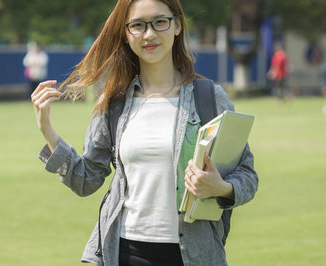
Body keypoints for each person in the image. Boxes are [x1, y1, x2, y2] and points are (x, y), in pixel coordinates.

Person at [31, 0, 258, 265]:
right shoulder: (112, 103)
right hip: (127, 251)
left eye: (160, 22)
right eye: (138, 25)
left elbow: (248, 176)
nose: (149, 34)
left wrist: (221, 187)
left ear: (177, 25)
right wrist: (47, 130)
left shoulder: (208, 97)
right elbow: (87, 180)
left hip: (194, 254)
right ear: (127, 35)